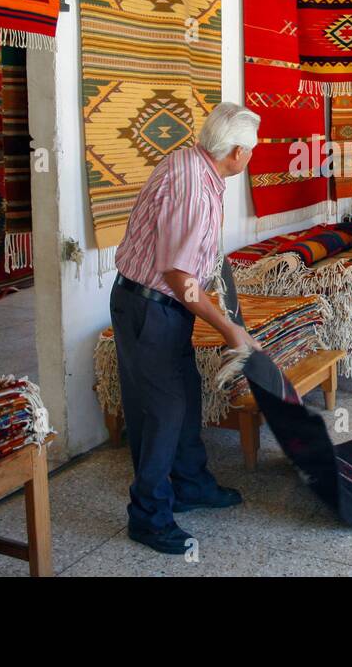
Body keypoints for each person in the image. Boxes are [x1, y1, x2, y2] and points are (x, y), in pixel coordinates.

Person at [110, 102, 262, 554]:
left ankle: (192, 483)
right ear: (236, 152)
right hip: (150, 306)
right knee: (161, 412)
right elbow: (181, 280)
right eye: (250, 150)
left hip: (156, 305)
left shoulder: (191, 160)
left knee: (183, 395)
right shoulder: (195, 187)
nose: (250, 157)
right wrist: (229, 331)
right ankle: (149, 516)